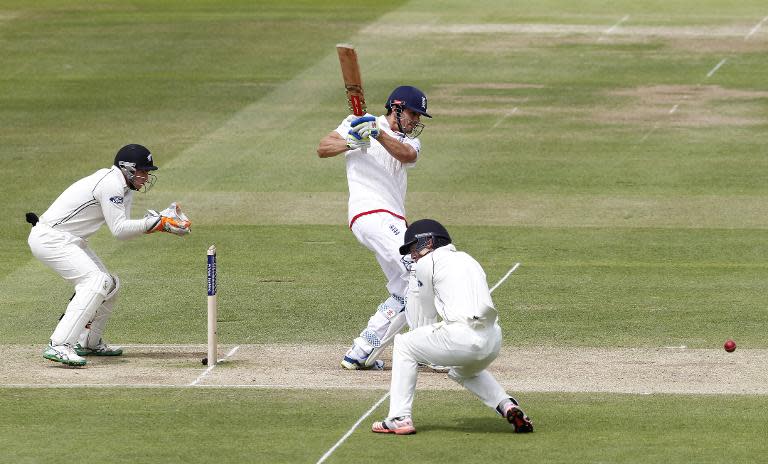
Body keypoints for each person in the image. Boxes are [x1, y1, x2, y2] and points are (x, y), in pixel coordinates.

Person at [27, 144, 191, 367]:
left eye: (148, 172)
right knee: (96, 281)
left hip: (71, 240)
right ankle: (59, 344)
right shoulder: (111, 185)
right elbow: (119, 230)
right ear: (127, 168)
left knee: (111, 285)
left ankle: (87, 342)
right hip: (51, 238)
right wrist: (157, 222)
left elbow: (126, 228)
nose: (146, 176)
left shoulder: (125, 188)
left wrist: (161, 222)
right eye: (142, 171)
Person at [371, 219, 534, 435]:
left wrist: (414, 283)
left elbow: (426, 314)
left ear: (427, 242)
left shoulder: (426, 264)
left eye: (412, 248)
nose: (411, 256)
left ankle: (399, 418)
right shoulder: (469, 259)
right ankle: (508, 406)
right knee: (462, 372)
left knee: (403, 345)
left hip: (462, 336)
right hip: (492, 339)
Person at [316, 86, 431, 370]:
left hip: (392, 220)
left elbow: (406, 155)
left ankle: (362, 351)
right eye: (413, 113)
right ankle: (433, 350)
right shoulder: (358, 122)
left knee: (407, 289)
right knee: (420, 270)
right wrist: (352, 142)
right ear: (396, 107)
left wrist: (377, 135)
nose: (416, 120)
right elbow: (323, 148)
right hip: (370, 213)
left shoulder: (407, 142)